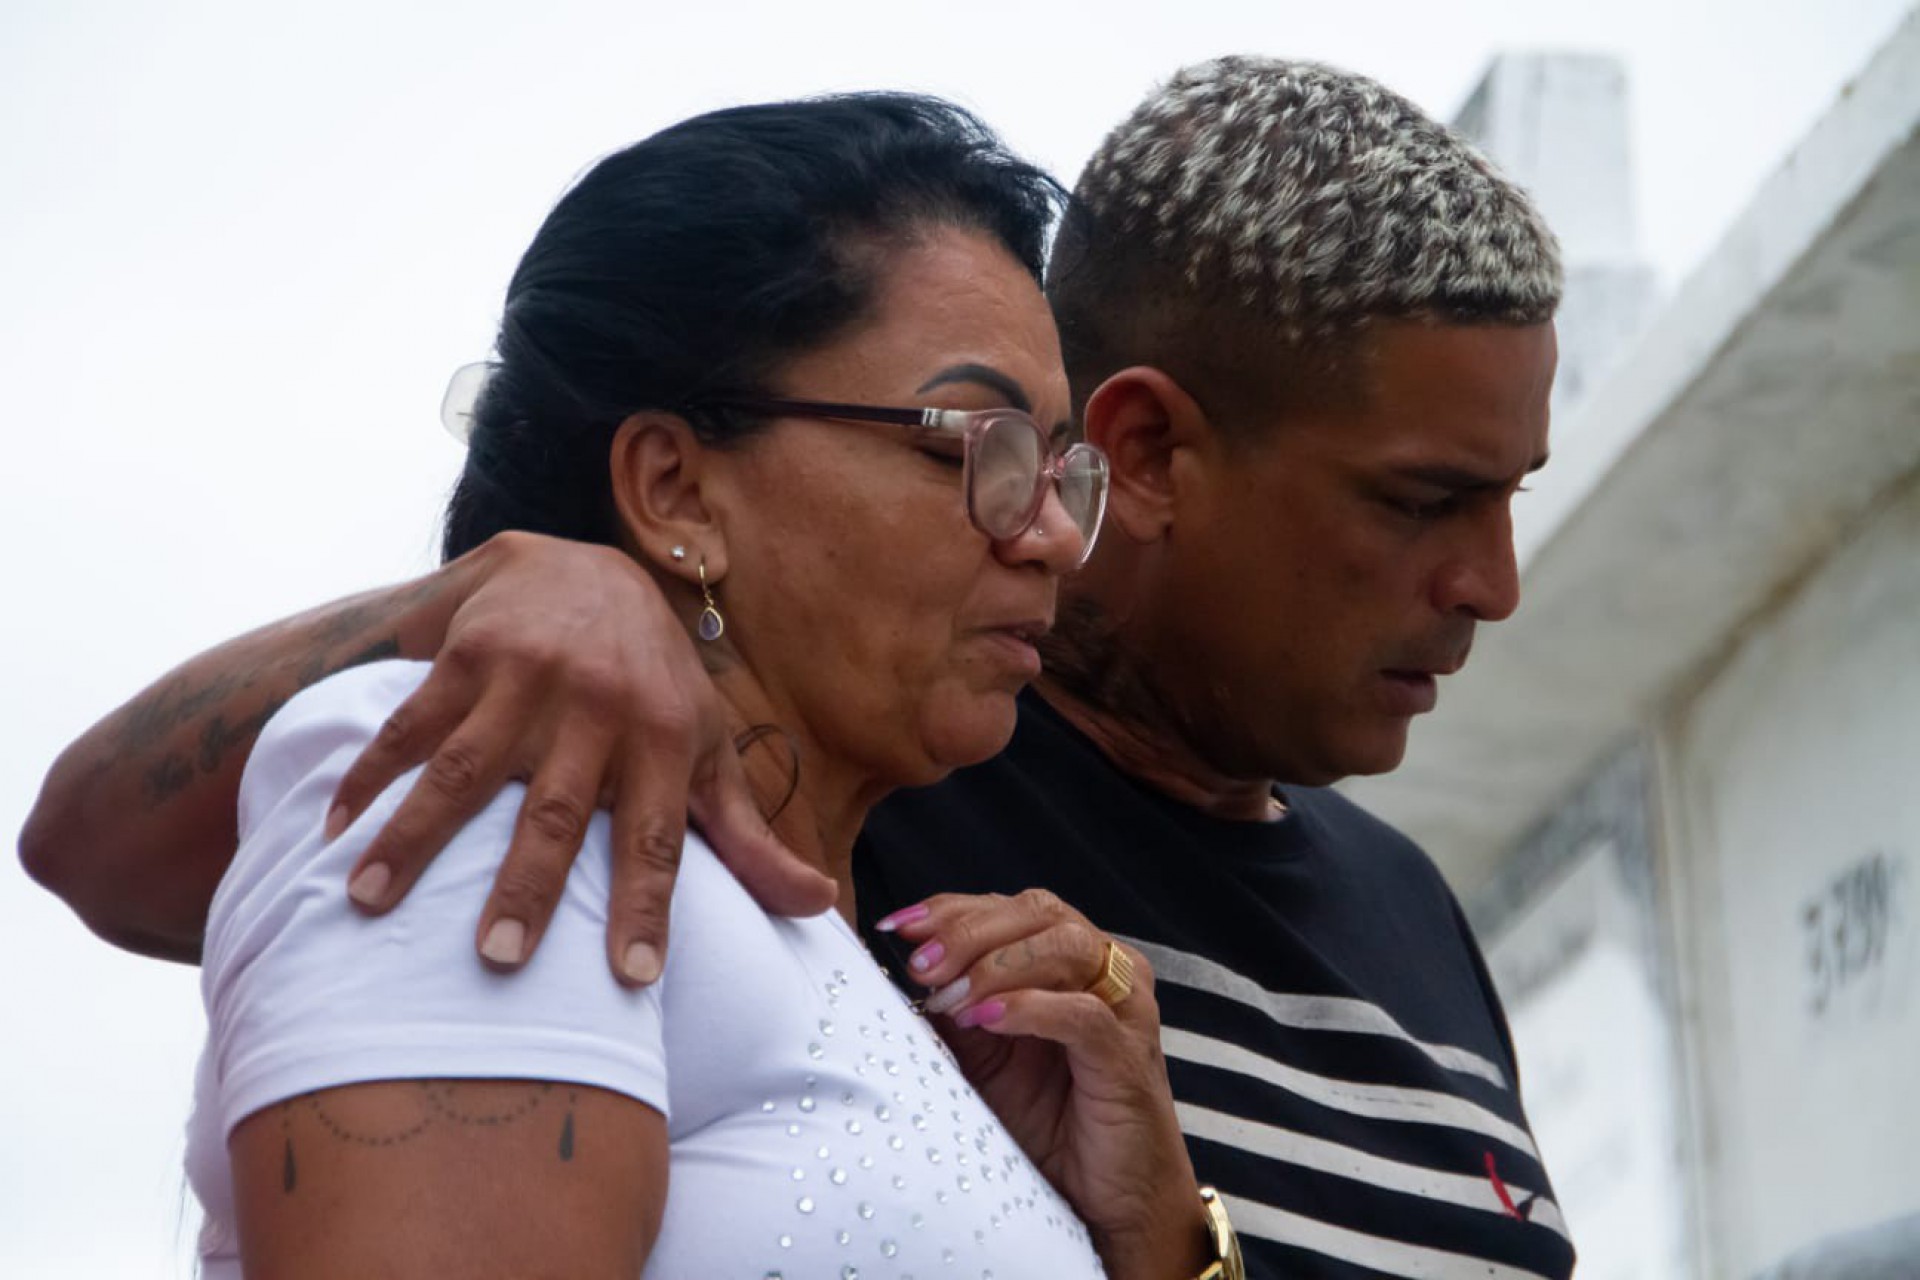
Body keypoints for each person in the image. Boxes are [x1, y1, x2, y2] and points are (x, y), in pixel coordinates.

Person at [25, 57, 1572, 1279]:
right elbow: (99, 840)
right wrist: (491, 598)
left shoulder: (1390, 915)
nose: (1494, 586)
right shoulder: (589, 769)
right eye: (1421, 499)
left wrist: (1171, 1241)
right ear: (678, 488)